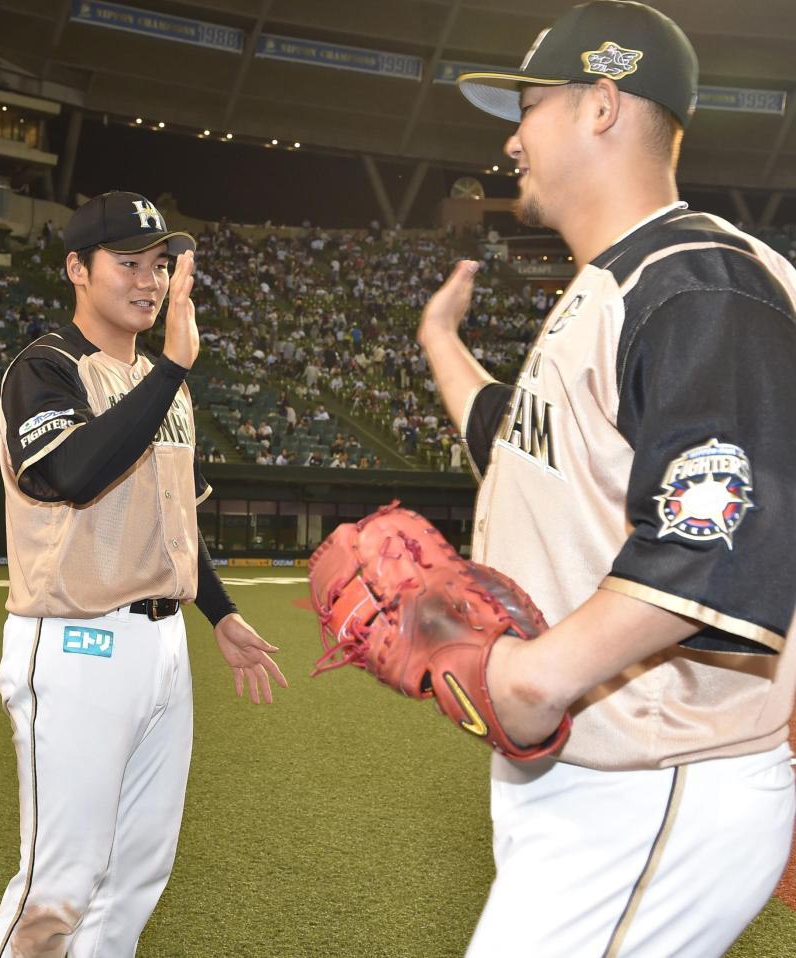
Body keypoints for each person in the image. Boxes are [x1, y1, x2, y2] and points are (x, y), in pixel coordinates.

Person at [417, 4, 796, 956]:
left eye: (529, 106)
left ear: (601, 105)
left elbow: (722, 535)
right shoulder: (619, 284)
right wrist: (439, 345)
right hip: (603, 778)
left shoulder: (700, 280)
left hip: (657, 778)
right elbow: (517, 439)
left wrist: (538, 679)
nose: (511, 137)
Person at [0, 191, 287, 958]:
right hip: (76, 640)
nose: (148, 280)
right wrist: (173, 368)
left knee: (136, 877)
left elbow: (176, 522)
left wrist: (219, 613)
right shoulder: (47, 368)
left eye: (159, 264)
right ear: (77, 269)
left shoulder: (166, 385)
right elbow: (73, 472)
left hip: (162, 651)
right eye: (128, 262)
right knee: (56, 888)